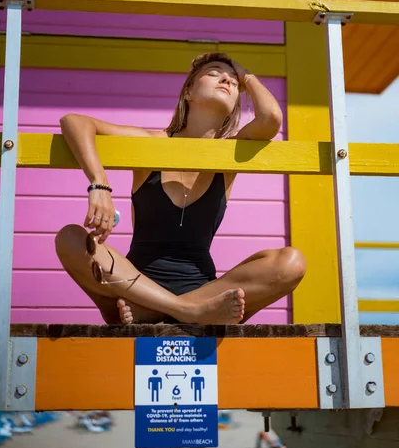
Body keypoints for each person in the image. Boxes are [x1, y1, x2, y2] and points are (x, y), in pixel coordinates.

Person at [55, 53, 306, 325]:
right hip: (132, 285)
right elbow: (74, 122)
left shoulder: (229, 154)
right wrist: (99, 185)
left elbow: (270, 117)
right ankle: (185, 312)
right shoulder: (152, 143)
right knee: (70, 238)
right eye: (213, 72)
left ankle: (164, 311)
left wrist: (245, 75)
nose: (226, 79)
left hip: (198, 292)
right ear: (188, 91)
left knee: (292, 262)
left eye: (234, 81)